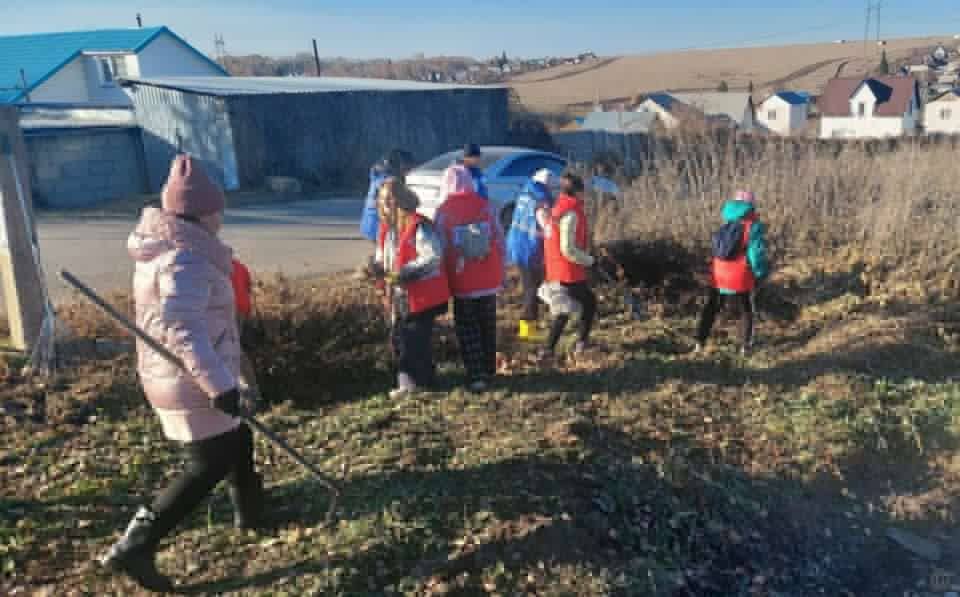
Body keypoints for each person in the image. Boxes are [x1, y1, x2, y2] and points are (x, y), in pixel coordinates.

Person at [101, 155, 263, 592]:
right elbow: (183, 332)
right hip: (189, 379)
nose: (222, 218)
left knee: (238, 439)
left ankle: (253, 514)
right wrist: (218, 384)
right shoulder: (183, 260)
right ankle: (138, 544)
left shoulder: (181, 251)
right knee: (206, 464)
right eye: (218, 210)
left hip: (192, 372)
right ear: (203, 212)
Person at [371, 177, 450, 397]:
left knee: (410, 342)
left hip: (422, 294)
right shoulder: (387, 229)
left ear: (402, 199)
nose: (387, 203)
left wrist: (406, 272)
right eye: (383, 199)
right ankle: (428, 381)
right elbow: (383, 257)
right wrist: (375, 268)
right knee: (404, 340)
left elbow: (433, 256)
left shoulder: (419, 225)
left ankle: (408, 386)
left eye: (391, 199)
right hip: (400, 295)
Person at [436, 165, 505, 392]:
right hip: (489, 278)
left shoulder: (445, 210)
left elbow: (441, 247)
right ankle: (489, 369)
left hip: (462, 279)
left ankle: (476, 375)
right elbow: (499, 239)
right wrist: (501, 271)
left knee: (468, 329)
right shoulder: (485, 205)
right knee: (487, 325)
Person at [695, 190, 769, 354]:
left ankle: (699, 343)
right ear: (751, 206)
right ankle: (745, 347)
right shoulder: (753, 227)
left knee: (711, 307)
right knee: (746, 310)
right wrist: (760, 273)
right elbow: (756, 255)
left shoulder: (727, 222)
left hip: (718, 273)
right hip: (739, 275)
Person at [542, 172, 598, 358]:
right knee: (586, 303)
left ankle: (548, 350)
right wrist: (590, 261)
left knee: (565, 310)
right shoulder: (571, 213)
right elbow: (567, 248)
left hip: (556, 269)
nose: (585, 195)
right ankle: (580, 344)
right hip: (568, 271)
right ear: (577, 192)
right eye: (583, 191)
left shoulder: (558, 207)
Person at [506, 168, 556, 341]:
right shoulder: (541, 201)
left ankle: (533, 323)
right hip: (530, 250)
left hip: (517, 245)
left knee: (532, 287)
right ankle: (527, 330)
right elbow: (546, 226)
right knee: (532, 289)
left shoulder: (526, 193)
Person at [360, 150, 415, 243]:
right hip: (380, 230)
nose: (409, 171)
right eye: (407, 167)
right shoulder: (390, 183)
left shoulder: (378, 177)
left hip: (368, 226)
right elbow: (411, 203)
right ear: (398, 166)